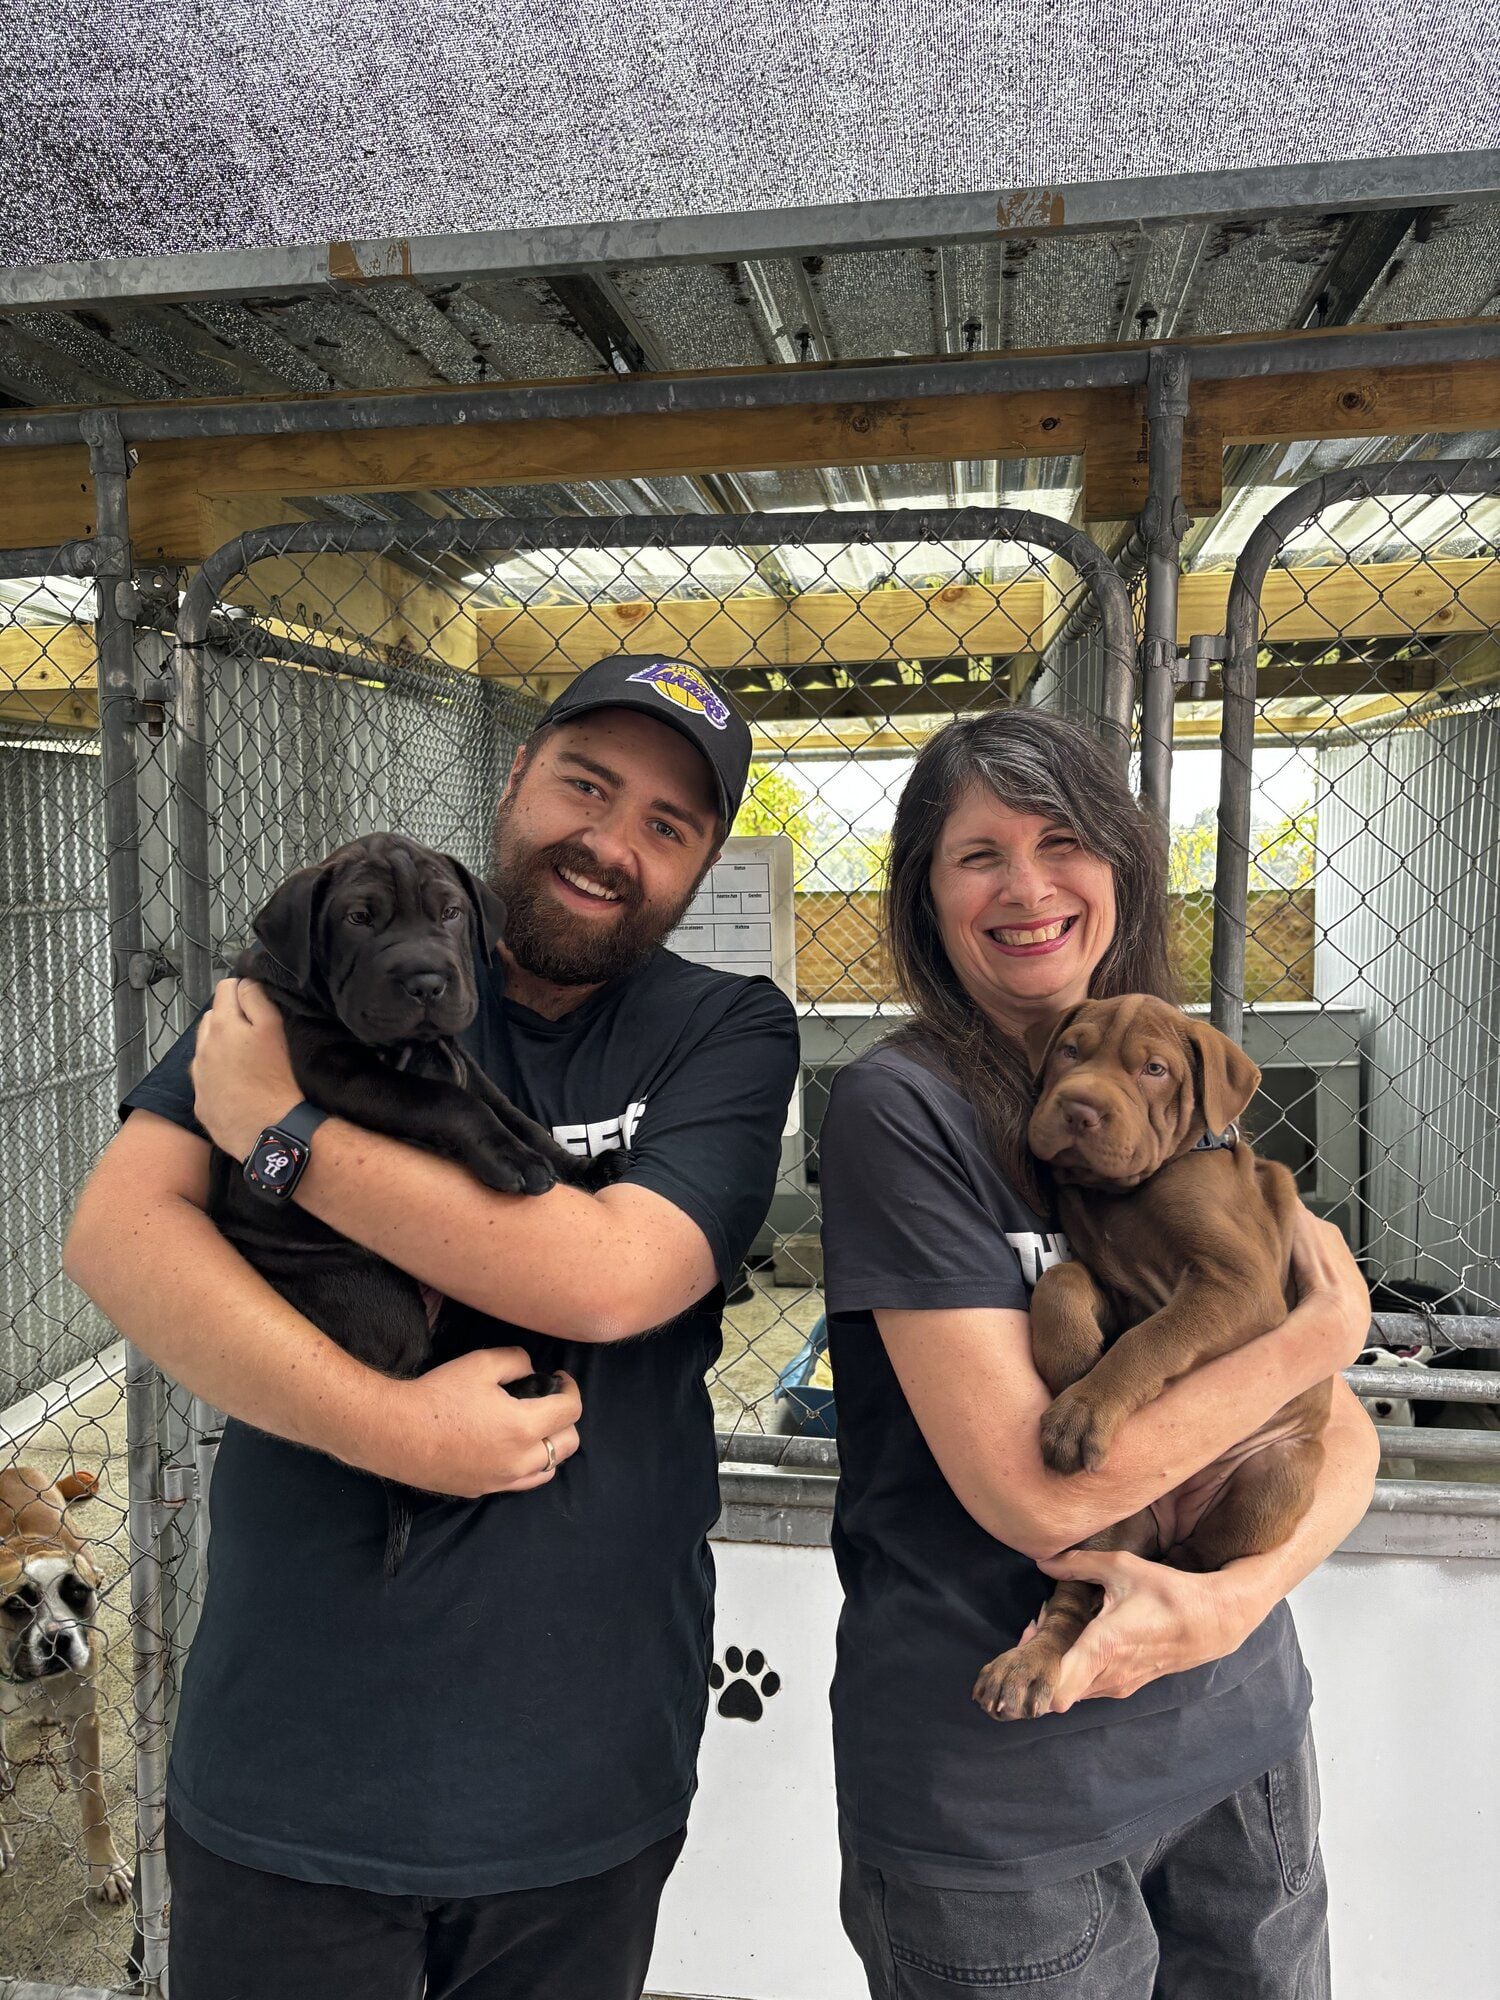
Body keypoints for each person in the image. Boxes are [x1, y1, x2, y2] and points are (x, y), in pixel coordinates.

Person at [64, 655, 800, 2000]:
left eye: (666, 824)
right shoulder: (327, 955)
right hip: (298, 1765)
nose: (610, 841)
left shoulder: (725, 1029)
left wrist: (281, 1134)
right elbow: (119, 1232)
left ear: (698, 867)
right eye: (587, 784)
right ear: (514, 779)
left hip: (581, 1773)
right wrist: (391, 1426)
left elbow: (614, 1279)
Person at [817, 709, 1376, 2000]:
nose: (1027, 887)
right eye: (978, 856)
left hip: (1239, 1745)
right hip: (1006, 1805)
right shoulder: (901, 1112)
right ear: (923, 893)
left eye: (1063, 842)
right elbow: (1042, 1491)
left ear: (1120, 868)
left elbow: (1339, 1435)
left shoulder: (1195, 1123)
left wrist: (1235, 1599)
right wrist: (1306, 1337)